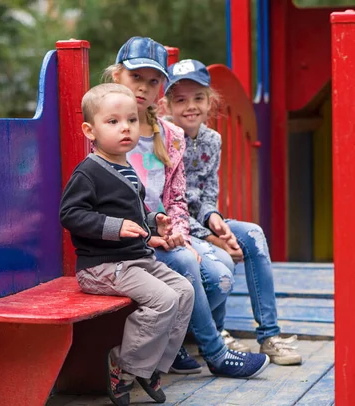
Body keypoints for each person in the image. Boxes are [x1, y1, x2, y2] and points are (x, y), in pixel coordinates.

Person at [105, 37, 270, 379]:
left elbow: (177, 197)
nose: (144, 88)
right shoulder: (106, 130)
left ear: (160, 89)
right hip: (127, 240)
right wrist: (170, 239)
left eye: (153, 81)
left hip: (166, 232)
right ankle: (216, 353)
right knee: (187, 262)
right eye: (136, 78)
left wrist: (180, 233)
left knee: (221, 273)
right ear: (117, 76)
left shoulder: (172, 135)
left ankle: (179, 340)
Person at [59, 83, 195, 406]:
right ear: (89, 131)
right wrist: (115, 227)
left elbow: (133, 212)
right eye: (113, 122)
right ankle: (123, 364)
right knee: (163, 299)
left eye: (132, 121)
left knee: (184, 291)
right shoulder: (88, 172)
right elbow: (70, 214)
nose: (126, 128)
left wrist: (152, 222)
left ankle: (150, 367)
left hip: (135, 261)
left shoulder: (126, 167)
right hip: (102, 265)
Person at [163, 59, 302, 366]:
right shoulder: (165, 140)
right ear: (167, 105)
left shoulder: (213, 140)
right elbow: (171, 204)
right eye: (181, 100)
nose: (191, 107)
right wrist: (212, 239)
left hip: (202, 223)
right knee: (223, 257)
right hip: (177, 228)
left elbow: (209, 192)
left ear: (210, 101)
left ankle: (269, 335)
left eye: (198, 98)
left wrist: (215, 220)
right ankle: (218, 331)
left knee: (252, 233)